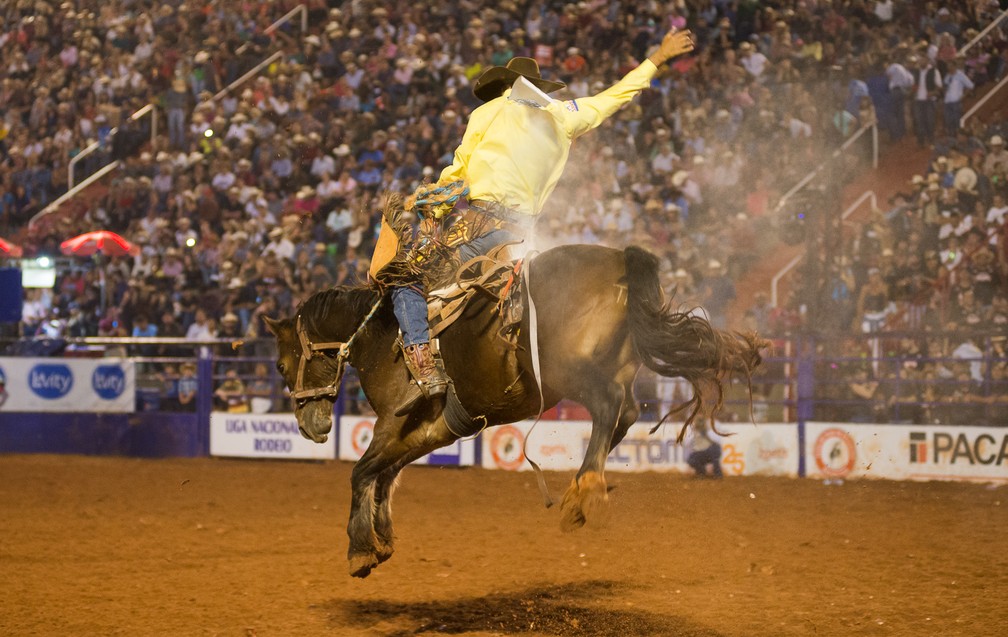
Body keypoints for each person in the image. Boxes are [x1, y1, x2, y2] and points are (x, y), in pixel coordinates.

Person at [387, 29, 697, 415]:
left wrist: (424, 198)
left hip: (481, 229)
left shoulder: (487, 112)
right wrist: (659, 57)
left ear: (504, 85)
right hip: (525, 236)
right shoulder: (562, 115)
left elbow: (455, 177)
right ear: (536, 87)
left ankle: (424, 369)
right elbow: (613, 97)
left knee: (406, 280)